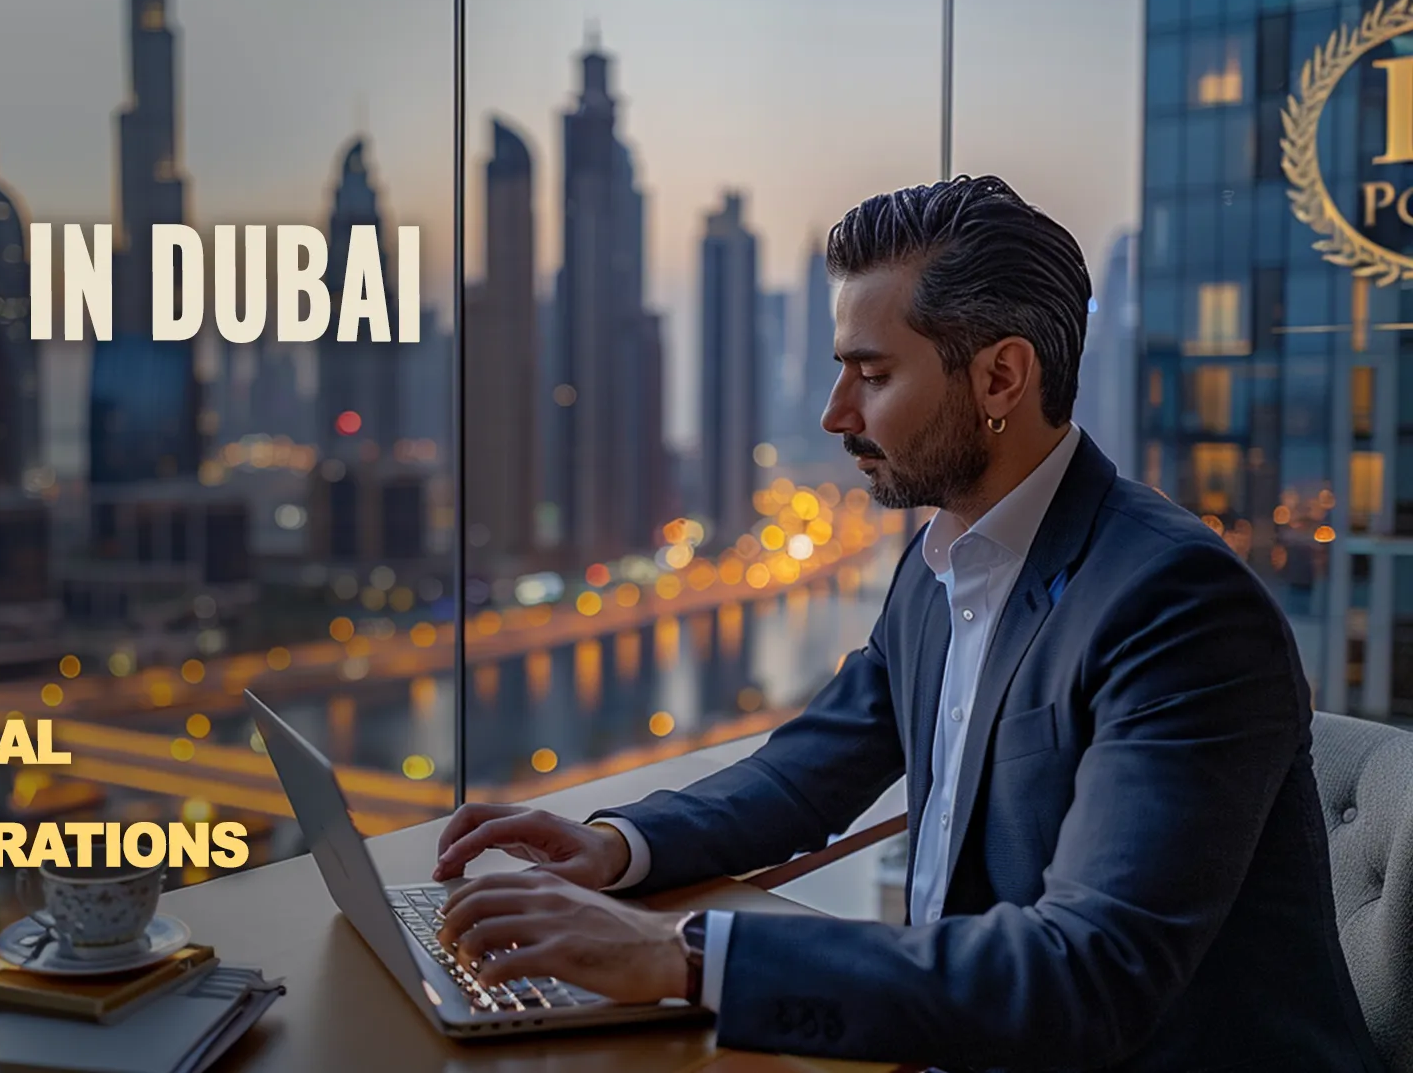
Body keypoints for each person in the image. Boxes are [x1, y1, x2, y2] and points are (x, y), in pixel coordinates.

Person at [431, 176, 1385, 1073]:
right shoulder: (940, 560)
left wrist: (683, 954)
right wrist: (615, 846)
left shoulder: (1175, 606)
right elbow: (805, 773)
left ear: (1002, 379)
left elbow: (1091, 972)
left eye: (871, 374)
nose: (834, 412)